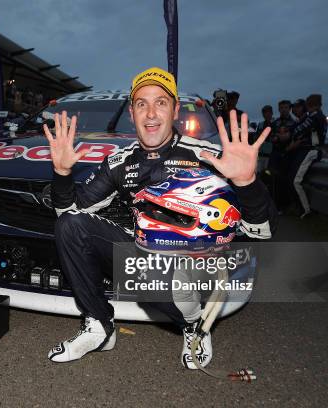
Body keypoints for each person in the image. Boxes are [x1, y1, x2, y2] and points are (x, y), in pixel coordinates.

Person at [43, 67, 276, 368]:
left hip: (198, 265)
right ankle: (99, 325)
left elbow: (262, 231)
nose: (151, 113)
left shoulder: (209, 156)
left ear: (175, 110)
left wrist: (247, 183)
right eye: (142, 103)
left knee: (163, 266)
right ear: (132, 112)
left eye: (161, 102)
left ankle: (195, 325)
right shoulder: (119, 161)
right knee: (70, 226)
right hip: (145, 256)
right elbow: (68, 214)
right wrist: (62, 175)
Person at [286, 94, 327, 218]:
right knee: (296, 180)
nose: (308, 108)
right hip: (315, 150)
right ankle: (302, 208)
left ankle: (306, 210)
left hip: (311, 151)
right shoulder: (322, 117)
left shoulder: (314, 116)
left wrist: (293, 133)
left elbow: (298, 130)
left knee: (296, 181)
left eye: (309, 105)